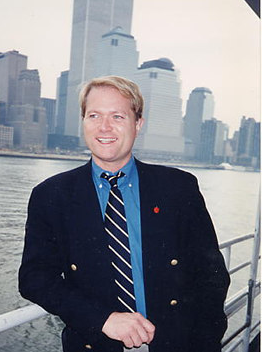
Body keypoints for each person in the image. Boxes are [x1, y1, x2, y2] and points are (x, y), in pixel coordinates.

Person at [19, 75, 230, 352]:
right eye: (94, 115)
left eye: (118, 116)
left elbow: (212, 275)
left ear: (137, 124)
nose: (104, 127)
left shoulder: (178, 188)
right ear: (83, 121)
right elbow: (34, 278)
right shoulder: (51, 195)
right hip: (93, 343)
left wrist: (203, 343)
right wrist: (102, 319)